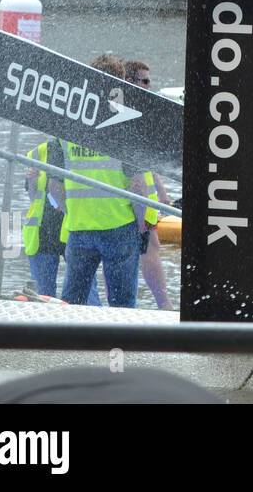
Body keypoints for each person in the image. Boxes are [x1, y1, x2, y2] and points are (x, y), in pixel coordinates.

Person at [58, 54, 159, 309]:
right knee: (122, 307)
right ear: (119, 84)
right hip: (119, 226)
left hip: (79, 227)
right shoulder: (126, 125)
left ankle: (69, 347)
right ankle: (119, 348)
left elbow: (54, 185)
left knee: (73, 304)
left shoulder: (68, 123)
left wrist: (75, 213)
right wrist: (140, 224)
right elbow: (138, 185)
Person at [23, 140, 101, 305]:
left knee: (86, 293)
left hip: (71, 230)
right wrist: (32, 180)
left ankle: (90, 326)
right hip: (42, 231)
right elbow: (32, 197)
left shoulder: (81, 150)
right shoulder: (39, 152)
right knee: (43, 296)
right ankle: (46, 329)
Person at [124, 58, 173, 309]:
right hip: (135, 197)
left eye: (149, 80)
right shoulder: (125, 113)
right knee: (148, 249)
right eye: (144, 81)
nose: (149, 86)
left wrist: (162, 194)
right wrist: (143, 206)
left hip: (146, 196)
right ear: (129, 81)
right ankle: (164, 306)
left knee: (145, 249)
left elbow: (150, 162)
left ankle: (161, 305)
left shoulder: (143, 113)